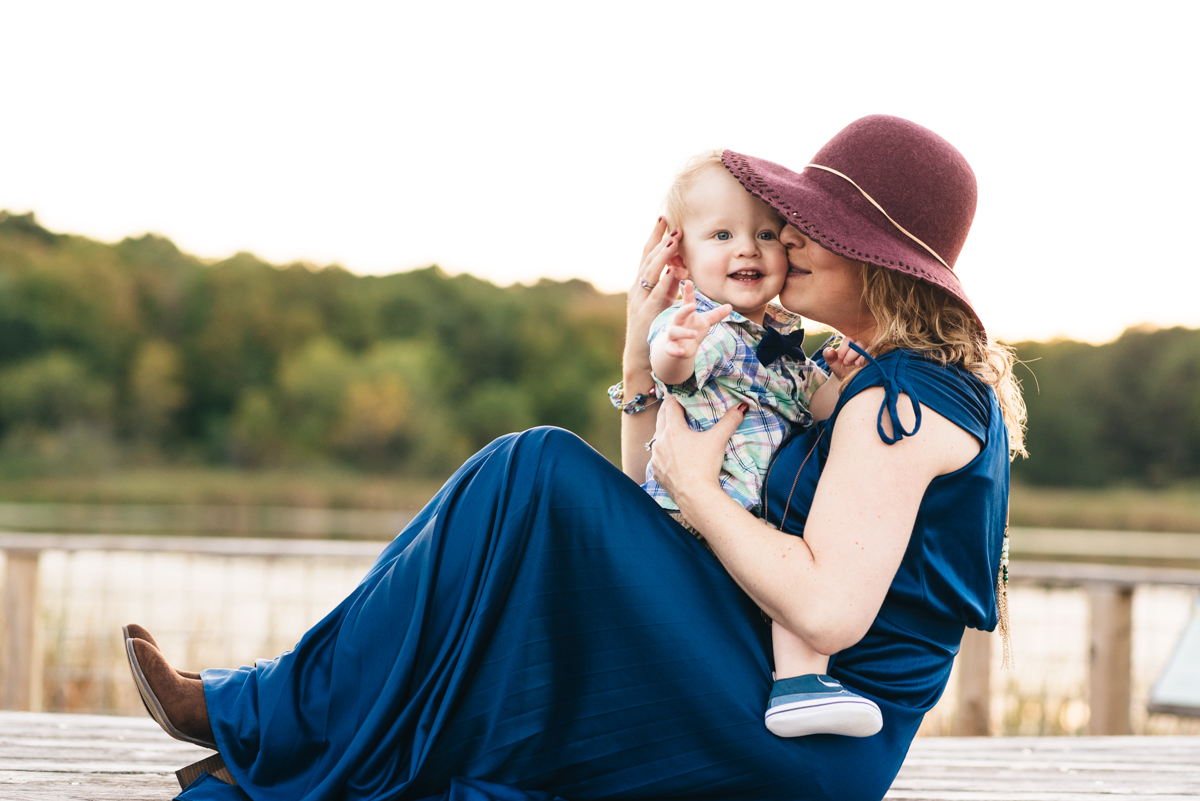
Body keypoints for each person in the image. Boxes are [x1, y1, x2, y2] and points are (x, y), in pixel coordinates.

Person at [123, 114, 1025, 801]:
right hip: (752, 662)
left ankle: (266, 716)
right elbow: (651, 494)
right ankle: (278, 726)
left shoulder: (907, 401)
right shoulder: (853, 375)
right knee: (525, 485)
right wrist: (640, 359)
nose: (785, 239)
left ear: (880, 259)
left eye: (810, 226)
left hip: (809, 732)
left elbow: (827, 611)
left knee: (536, 469)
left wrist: (700, 494)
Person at [636, 150, 880, 738]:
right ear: (682, 256)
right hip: (693, 517)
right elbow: (670, 369)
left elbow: (820, 408)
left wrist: (846, 381)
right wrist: (676, 343)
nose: (746, 248)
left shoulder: (786, 344)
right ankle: (790, 686)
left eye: (765, 234)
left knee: (794, 562)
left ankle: (798, 686)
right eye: (721, 234)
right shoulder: (707, 327)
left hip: (751, 517)